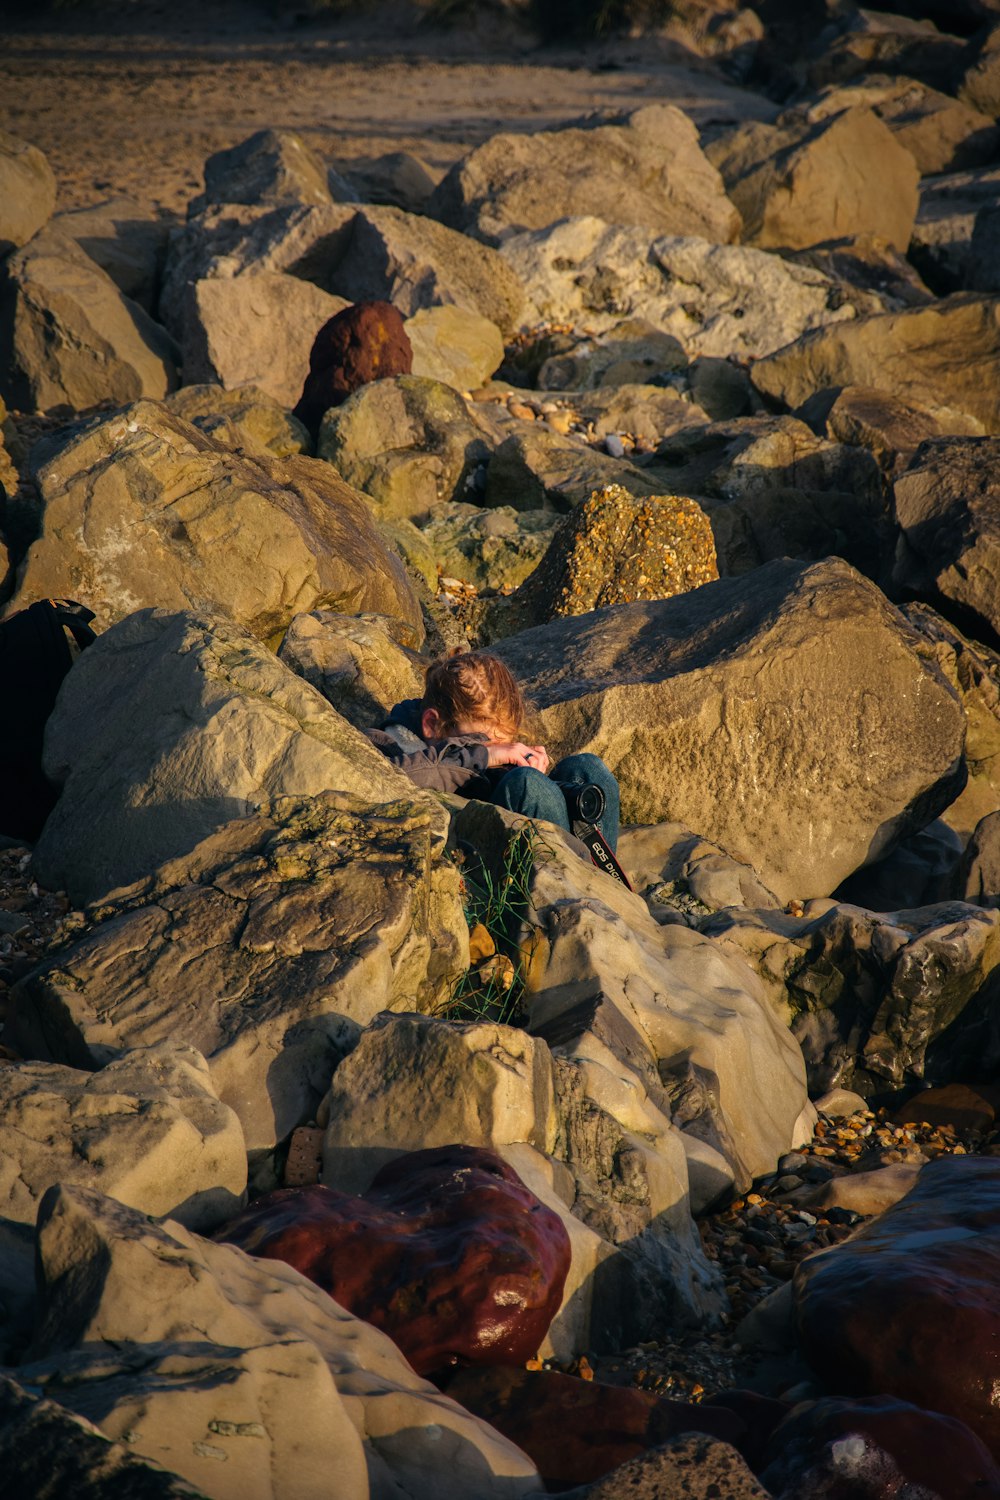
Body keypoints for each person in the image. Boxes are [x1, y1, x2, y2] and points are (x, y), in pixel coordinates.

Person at [365, 650, 621, 853]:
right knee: (527, 785)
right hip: (475, 848)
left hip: (511, 831)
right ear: (432, 724)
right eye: (481, 740)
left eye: (505, 742)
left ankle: (606, 881)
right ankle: (586, 888)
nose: (496, 751)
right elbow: (387, 780)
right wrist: (482, 755)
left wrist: (535, 772)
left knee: (587, 767)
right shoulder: (388, 743)